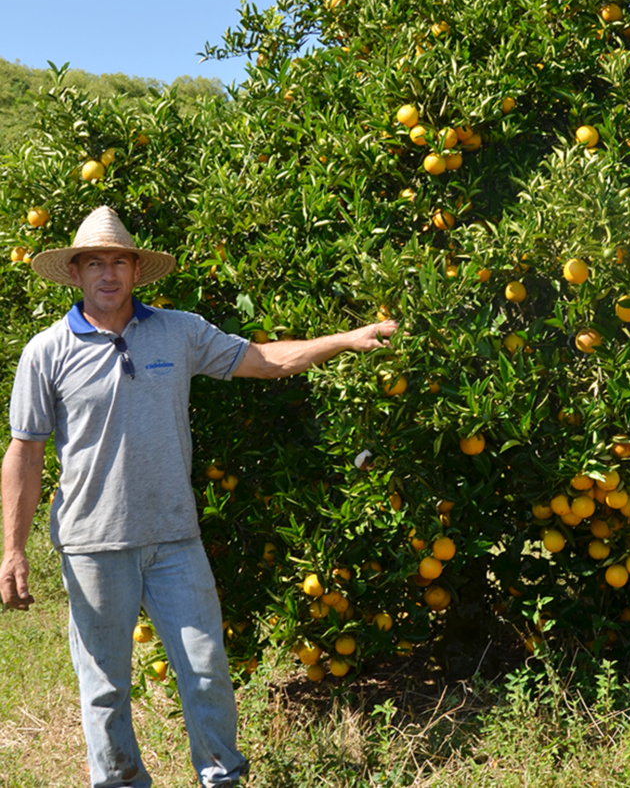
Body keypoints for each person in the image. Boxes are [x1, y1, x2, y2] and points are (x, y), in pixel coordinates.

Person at [0, 206, 397, 787]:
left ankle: (222, 777)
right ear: (77, 273)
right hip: (91, 544)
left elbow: (263, 361)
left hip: (174, 539)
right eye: (94, 264)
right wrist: (12, 548)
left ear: (136, 270)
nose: (108, 274)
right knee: (105, 686)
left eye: (119, 261)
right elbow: (25, 453)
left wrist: (345, 339)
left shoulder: (179, 331)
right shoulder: (47, 351)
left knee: (207, 670)